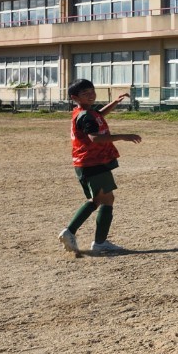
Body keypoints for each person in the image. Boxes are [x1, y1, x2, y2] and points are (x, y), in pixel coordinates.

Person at [58, 79, 142, 257]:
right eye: (85, 93)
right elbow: (94, 137)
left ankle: (74, 233)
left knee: (98, 200)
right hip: (93, 162)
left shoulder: (85, 112)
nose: (91, 94)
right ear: (75, 97)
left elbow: (99, 115)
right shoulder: (86, 116)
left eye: (92, 90)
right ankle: (96, 241)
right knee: (106, 199)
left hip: (88, 162)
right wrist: (123, 136)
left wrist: (115, 102)